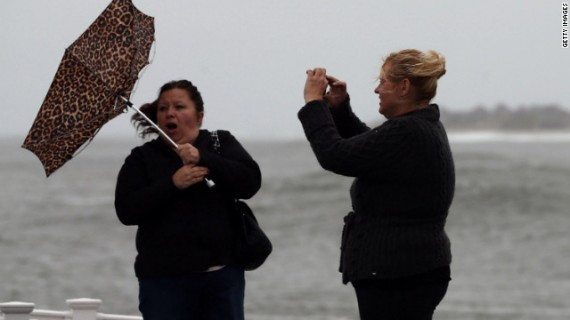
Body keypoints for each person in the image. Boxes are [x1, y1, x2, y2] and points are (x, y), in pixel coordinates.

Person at [297, 49, 454, 320]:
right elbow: (370, 150)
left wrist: (314, 104)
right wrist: (339, 109)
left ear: (403, 87)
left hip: (398, 273)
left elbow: (335, 155)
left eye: (383, 82)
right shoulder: (419, 125)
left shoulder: (407, 131)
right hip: (412, 268)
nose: (377, 90)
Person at [114, 80, 261, 320]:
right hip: (162, 282)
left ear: (199, 116)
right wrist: (173, 184)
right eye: (163, 108)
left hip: (220, 277)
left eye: (179, 106)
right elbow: (126, 211)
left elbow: (250, 183)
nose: (170, 113)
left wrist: (204, 158)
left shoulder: (219, 142)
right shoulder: (141, 158)